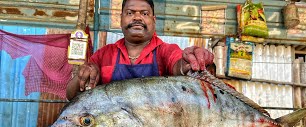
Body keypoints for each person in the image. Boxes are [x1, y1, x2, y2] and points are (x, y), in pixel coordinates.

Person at [66, 0, 214, 100]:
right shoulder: (104, 54)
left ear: (154, 20)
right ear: (121, 18)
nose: (137, 17)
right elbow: (71, 95)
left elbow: (177, 65)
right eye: (130, 13)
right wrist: (81, 77)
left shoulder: (165, 51)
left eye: (144, 13)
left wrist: (188, 64)